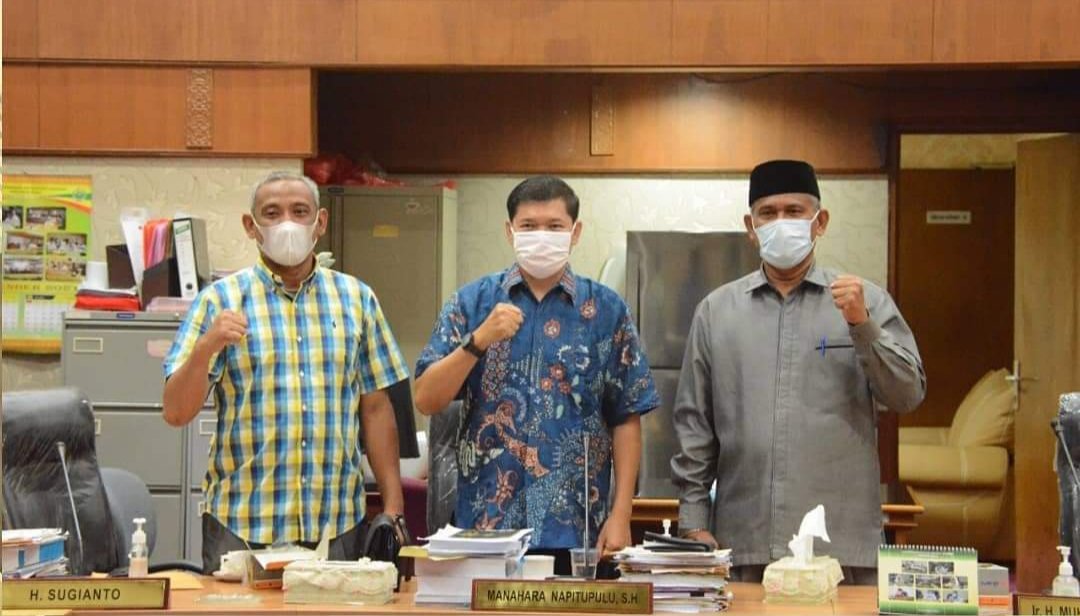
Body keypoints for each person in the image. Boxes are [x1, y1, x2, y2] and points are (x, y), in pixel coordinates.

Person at [671, 159, 925, 584]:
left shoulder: (865, 301)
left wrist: (863, 326)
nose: (781, 223)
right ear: (751, 227)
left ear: (819, 222)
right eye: (768, 213)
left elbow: (908, 394)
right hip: (744, 543)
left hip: (840, 548)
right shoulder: (717, 311)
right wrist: (694, 521)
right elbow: (694, 425)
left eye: (794, 211)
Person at [162, 171, 410, 573]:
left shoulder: (356, 299)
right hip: (242, 522)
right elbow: (175, 412)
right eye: (272, 214)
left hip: (335, 523)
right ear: (251, 226)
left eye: (299, 211)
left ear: (320, 222)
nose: (287, 224)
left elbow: (376, 409)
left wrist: (394, 507)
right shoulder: (219, 301)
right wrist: (206, 347)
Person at [414, 175, 658, 574]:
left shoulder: (607, 310)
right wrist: (479, 340)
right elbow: (426, 398)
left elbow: (626, 416)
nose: (541, 236)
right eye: (528, 226)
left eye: (554, 226)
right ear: (509, 231)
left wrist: (622, 514)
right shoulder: (472, 303)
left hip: (577, 531)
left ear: (575, 232)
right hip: (486, 527)